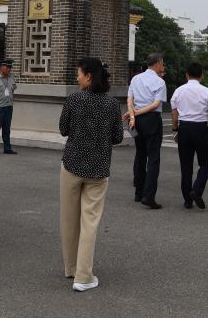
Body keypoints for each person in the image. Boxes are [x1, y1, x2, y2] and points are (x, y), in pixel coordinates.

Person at [58, 57, 124, 292]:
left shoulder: (73, 99)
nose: (77, 77)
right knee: (89, 222)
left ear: (88, 76)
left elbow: (63, 129)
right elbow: (117, 137)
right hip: (98, 168)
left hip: (71, 165)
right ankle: (84, 276)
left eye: (79, 73)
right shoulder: (112, 104)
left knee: (69, 220)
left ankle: (71, 268)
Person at [171, 62, 208, 210]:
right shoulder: (207, 92)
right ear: (201, 76)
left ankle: (187, 200)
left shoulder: (178, 91)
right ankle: (196, 190)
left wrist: (175, 129)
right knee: (205, 164)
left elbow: (174, 112)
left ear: (187, 75)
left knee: (186, 166)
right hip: (200, 128)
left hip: (184, 128)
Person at [126, 52, 167, 208]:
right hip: (152, 119)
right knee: (153, 157)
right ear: (158, 63)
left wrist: (133, 115)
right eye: (162, 63)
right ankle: (148, 196)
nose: (163, 66)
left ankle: (138, 192)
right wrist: (138, 113)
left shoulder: (136, 78)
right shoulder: (160, 82)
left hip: (137, 121)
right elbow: (156, 104)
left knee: (140, 155)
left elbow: (130, 100)